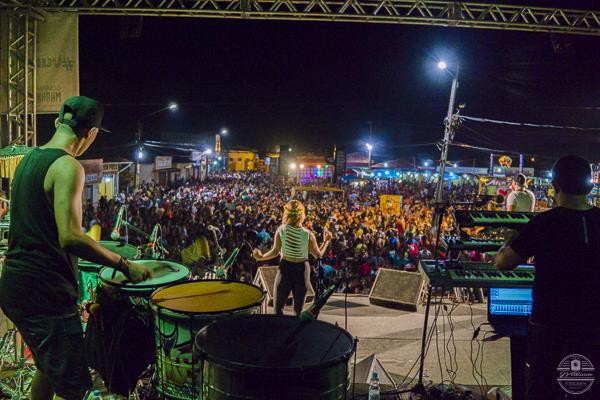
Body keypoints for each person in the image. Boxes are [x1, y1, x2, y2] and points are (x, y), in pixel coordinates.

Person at [0, 96, 153, 400]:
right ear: (91, 134)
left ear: (59, 122)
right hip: (47, 296)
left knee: (47, 367)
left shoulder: (29, 160)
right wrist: (124, 265)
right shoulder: (68, 166)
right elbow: (69, 236)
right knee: (75, 388)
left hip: (15, 288)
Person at [495, 155, 600, 399]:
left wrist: (507, 242)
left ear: (555, 187)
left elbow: (504, 263)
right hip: (593, 326)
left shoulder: (543, 223)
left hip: (549, 326)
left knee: (545, 388)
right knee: (588, 388)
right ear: (590, 187)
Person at [252, 200, 331, 316]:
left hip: (286, 268)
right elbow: (318, 255)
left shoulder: (282, 229)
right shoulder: (308, 234)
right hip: (302, 270)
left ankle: (281, 333)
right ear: (302, 215)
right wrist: (326, 242)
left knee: (278, 310)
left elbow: (275, 252)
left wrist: (261, 257)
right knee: (297, 311)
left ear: (287, 214)